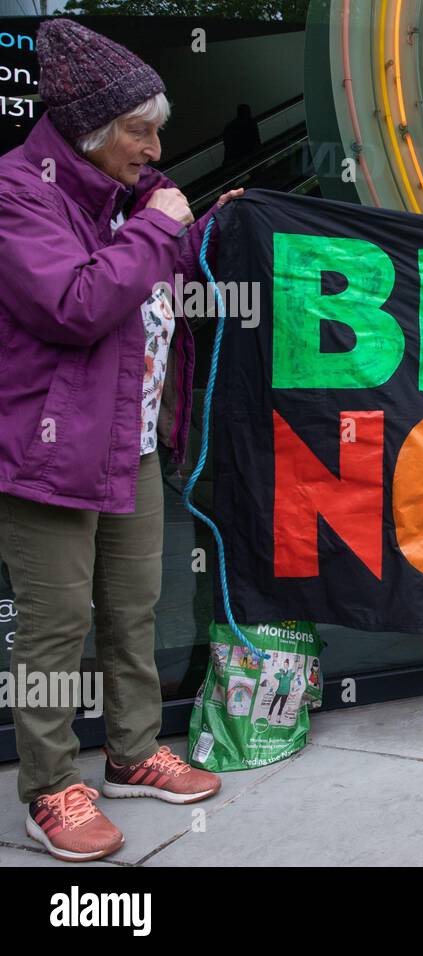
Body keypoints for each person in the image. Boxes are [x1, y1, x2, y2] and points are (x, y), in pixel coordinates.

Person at [0, 19, 244, 862]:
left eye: (156, 128)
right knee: (54, 628)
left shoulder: (125, 199)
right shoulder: (17, 193)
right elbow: (73, 304)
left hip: (130, 443)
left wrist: (203, 225)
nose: (155, 145)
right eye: (140, 130)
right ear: (88, 131)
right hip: (47, 452)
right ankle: (48, 789)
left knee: (134, 607)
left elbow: (151, 282)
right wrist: (157, 226)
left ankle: (133, 752)